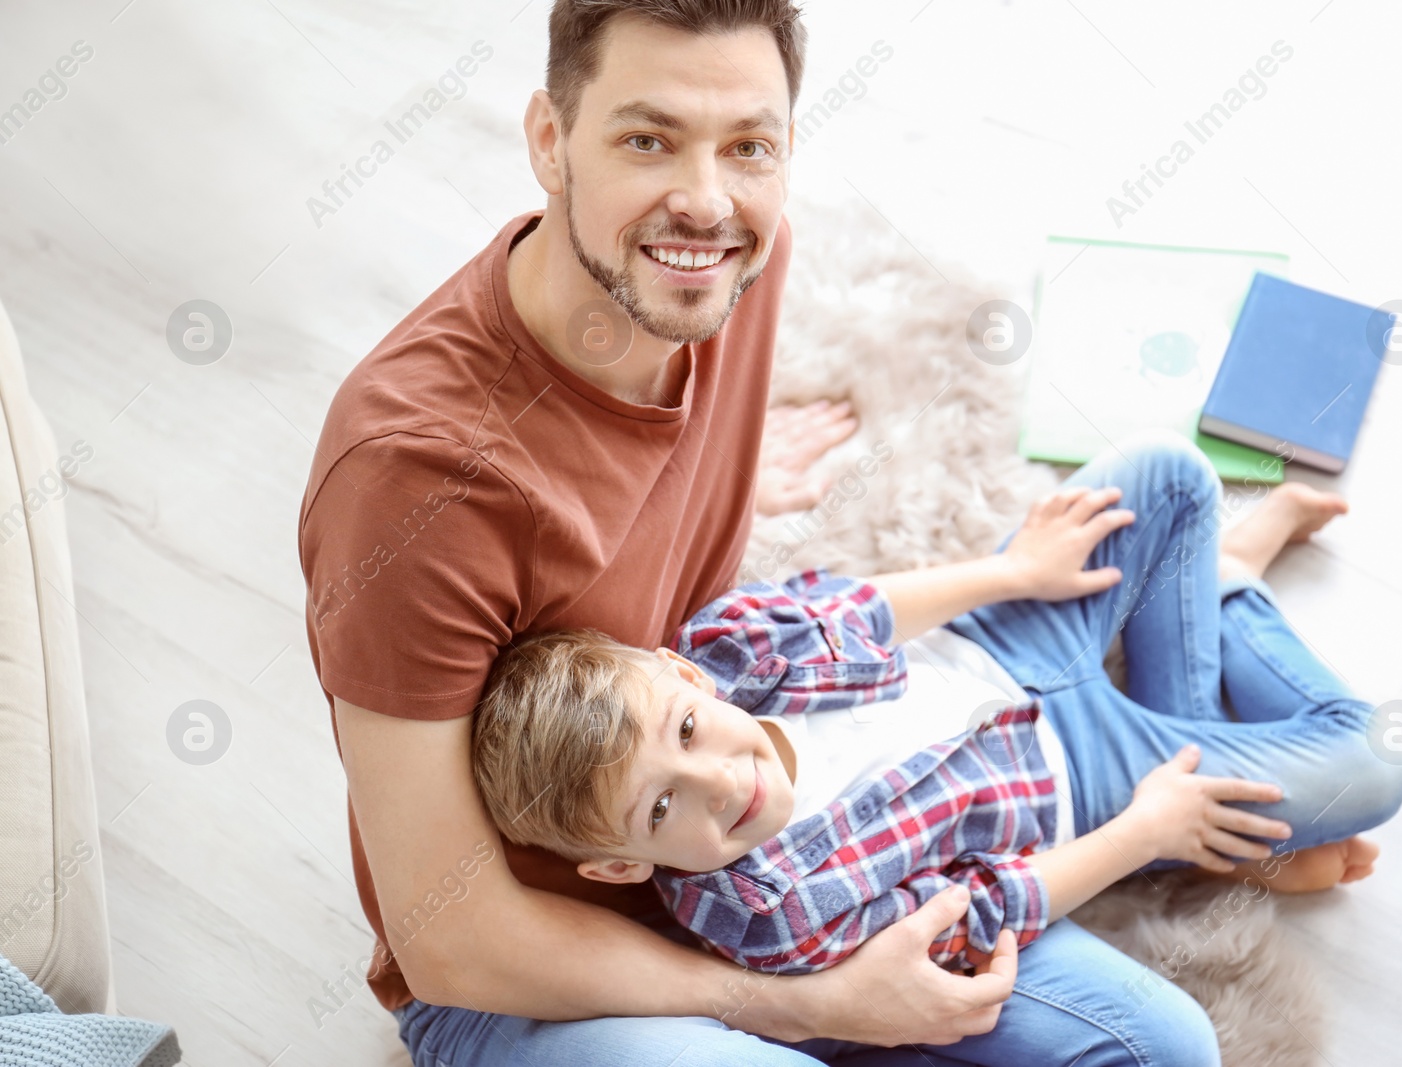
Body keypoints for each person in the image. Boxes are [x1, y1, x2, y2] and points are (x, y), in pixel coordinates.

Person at [298, 2, 1040, 1064]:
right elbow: (449, 936)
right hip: (531, 975)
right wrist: (810, 1003)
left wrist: (720, 473)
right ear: (551, 143)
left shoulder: (731, 262)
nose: (704, 201)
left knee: (1153, 1040)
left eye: (749, 147)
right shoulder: (411, 479)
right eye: (645, 140)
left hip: (739, 860)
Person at [468, 431, 1402, 1062]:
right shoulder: (771, 910)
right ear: (619, 864)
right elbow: (989, 906)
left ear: (686, 677)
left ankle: (1220, 593)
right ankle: (1211, 627)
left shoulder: (730, 643)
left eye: (686, 730)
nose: (723, 779)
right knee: (1372, 761)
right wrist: (1143, 830)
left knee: (1168, 470)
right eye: (663, 807)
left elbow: (867, 609)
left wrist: (1015, 571)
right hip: (1081, 781)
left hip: (1008, 641)